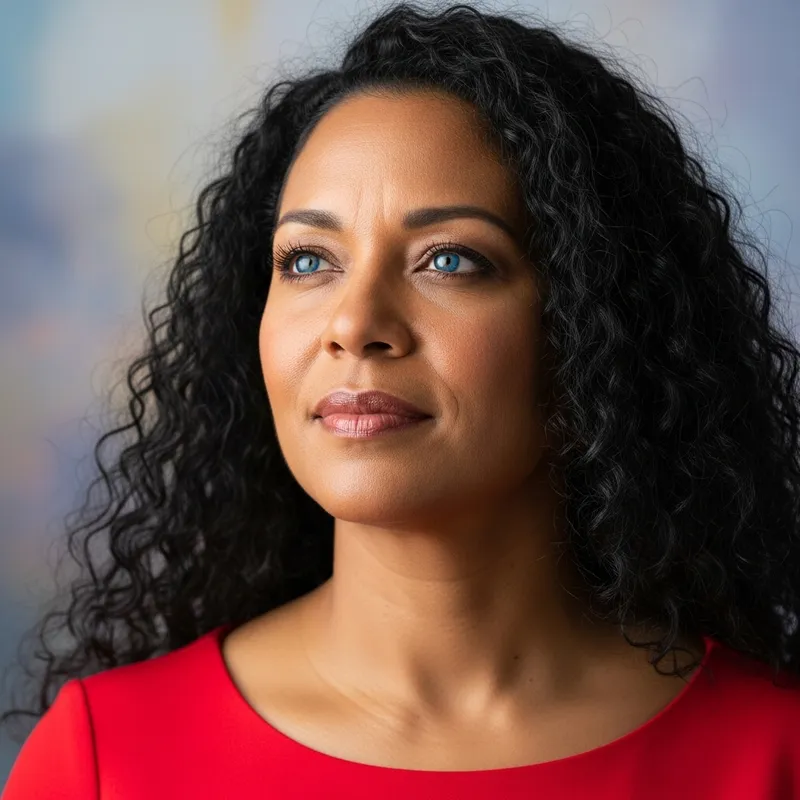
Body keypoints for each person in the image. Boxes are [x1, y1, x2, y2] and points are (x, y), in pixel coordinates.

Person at [2, 2, 800, 797]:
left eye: (449, 260)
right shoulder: (103, 758)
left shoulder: (773, 753)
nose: (355, 325)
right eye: (309, 260)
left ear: (596, 325)